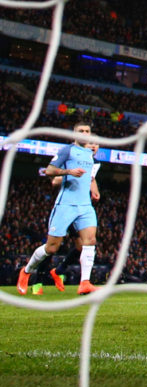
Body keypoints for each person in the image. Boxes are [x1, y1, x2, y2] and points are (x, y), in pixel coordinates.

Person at [18, 122, 101, 295]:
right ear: (74, 134)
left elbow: (90, 178)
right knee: (52, 248)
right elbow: (48, 171)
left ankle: (85, 282)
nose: (85, 133)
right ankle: (26, 271)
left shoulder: (89, 155)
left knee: (90, 241)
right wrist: (69, 172)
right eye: (81, 131)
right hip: (66, 205)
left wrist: (94, 190)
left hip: (85, 206)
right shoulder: (67, 150)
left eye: (87, 131)